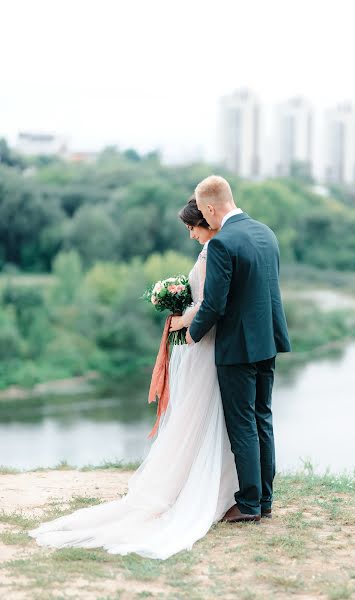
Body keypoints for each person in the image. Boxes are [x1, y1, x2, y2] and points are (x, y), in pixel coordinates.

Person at [28, 195, 238, 560]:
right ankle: (208, 479)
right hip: (206, 344)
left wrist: (181, 319)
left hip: (203, 341)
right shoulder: (214, 248)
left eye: (191, 228)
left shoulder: (214, 251)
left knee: (200, 412)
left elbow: (210, 305)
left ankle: (205, 482)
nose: (190, 235)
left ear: (204, 220)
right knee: (199, 412)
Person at [187, 175, 291, 523]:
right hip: (268, 341)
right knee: (263, 418)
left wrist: (193, 333)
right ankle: (265, 499)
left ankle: (249, 504)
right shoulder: (266, 233)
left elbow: (215, 304)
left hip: (238, 347)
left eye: (203, 211)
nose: (205, 217)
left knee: (243, 424)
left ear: (211, 207)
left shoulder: (222, 244)